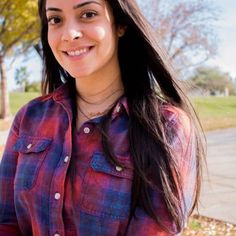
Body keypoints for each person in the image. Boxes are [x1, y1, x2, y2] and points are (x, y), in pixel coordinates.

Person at [0, 0, 205, 235]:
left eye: (88, 14)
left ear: (121, 24)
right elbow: (6, 221)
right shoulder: (30, 118)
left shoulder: (168, 128)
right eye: (55, 19)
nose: (69, 34)